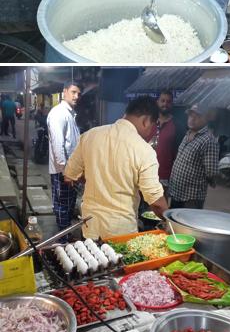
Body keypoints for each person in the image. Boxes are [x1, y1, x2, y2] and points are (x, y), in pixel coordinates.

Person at [64, 96, 168, 240]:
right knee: (119, 263)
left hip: (90, 225)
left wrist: (96, 180)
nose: (150, 132)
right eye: (152, 126)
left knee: (91, 261)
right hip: (121, 232)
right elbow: (156, 202)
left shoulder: (90, 135)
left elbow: (69, 175)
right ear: (145, 121)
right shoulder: (144, 150)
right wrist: (170, 222)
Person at [169, 104, 219, 209]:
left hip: (191, 198)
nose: (192, 119)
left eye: (198, 116)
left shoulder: (209, 140)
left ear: (206, 119)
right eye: (191, 116)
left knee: (185, 225)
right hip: (176, 193)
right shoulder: (187, 134)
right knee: (173, 223)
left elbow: (211, 172)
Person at [47, 81, 81, 233]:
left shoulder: (69, 114)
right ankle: (63, 239)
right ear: (64, 91)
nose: (76, 96)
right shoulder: (58, 113)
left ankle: (65, 236)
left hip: (70, 171)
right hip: (63, 171)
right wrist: (65, 171)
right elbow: (58, 144)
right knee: (62, 206)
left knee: (68, 206)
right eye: (73, 92)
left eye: (78, 94)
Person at [149, 90, 177, 189]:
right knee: (142, 203)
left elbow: (177, 152)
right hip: (145, 172)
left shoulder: (177, 125)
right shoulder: (149, 121)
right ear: (157, 102)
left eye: (168, 101)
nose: (165, 104)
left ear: (172, 104)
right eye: (163, 101)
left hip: (164, 175)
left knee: (160, 204)